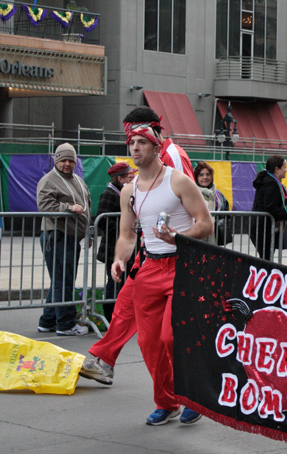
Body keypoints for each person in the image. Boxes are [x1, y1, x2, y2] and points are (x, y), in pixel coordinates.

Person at [111, 106, 212, 425]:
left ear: (157, 145)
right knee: (149, 342)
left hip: (182, 265)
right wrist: (118, 259)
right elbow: (127, 236)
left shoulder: (179, 181)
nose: (135, 149)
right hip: (150, 270)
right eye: (131, 144)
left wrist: (177, 237)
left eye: (141, 142)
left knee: (172, 337)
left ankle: (194, 395)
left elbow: (205, 224)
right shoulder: (128, 190)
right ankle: (167, 402)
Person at [36, 143, 91, 336]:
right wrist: (68, 208)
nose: (67, 164)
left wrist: (88, 232)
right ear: (55, 160)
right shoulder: (49, 180)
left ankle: (48, 320)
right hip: (57, 236)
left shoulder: (77, 179)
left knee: (60, 280)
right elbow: (44, 205)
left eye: (71, 160)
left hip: (71, 236)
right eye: (63, 160)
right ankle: (65, 324)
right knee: (63, 281)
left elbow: (86, 204)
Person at [96, 162, 136, 323]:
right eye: (128, 175)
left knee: (126, 284)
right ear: (120, 178)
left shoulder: (126, 192)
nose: (132, 177)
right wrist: (124, 227)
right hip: (113, 248)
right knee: (115, 283)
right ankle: (111, 317)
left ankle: (123, 316)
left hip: (126, 248)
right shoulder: (109, 193)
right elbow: (102, 221)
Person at [250, 156, 287, 261]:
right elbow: (271, 208)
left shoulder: (271, 181)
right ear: (277, 169)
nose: (286, 170)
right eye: (284, 167)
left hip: (262, 227)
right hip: (263, 228)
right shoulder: (271, 184)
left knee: (266, 259)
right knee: (266, 260)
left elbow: (282, 201)